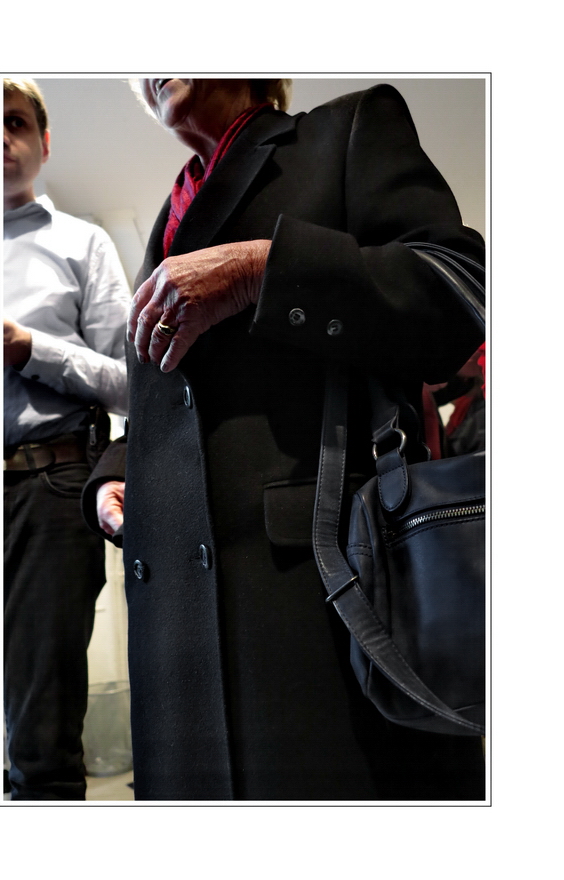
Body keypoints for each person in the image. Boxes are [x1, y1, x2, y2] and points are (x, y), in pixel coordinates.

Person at [82, 78, 485, 801]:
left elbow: (458, 292)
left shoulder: (347, 131)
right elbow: (169, 400)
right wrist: (115, 473)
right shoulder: (163, 225)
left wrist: (263, 272)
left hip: (315, 599)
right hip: (176, 621)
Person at [3, 77, 131, 800]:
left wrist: (32, 351)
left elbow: (133, 386)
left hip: (46, 491)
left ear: (43, 144)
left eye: (15, 122)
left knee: (40, 734)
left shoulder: (82, 243)